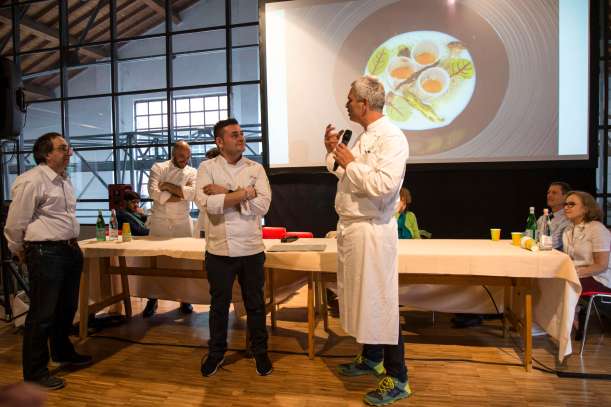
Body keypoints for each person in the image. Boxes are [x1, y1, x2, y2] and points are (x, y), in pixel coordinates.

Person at [324, 76, 410, 406]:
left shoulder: (392, 138)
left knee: (380, 301)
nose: (346, 104)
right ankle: (372, 358)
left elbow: (383, 187)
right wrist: (335, 154)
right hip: (353, 229)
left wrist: (351, 162)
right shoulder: (365, 135)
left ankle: (399, 377)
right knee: (362, 298)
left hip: (373, 231)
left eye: (350, 99)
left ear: (363, 104)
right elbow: (349, 176)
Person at [4, 132, 92, 390]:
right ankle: (35, 372)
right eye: (63, 148)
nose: (69, 153)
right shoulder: (31, 180)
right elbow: (15, 222)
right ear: (46, 154)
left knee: (66, 309)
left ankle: (62, 352)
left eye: (68, 148)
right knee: (42, 314)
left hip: (69, 249)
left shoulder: (63, 180)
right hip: (45, 252)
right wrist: (17, 249)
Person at [196, 118, 273, 377]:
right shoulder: (206, 168)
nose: (241, 138)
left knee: (255, 304)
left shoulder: (255, 168)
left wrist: (226, 191)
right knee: (219, 306)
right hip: (219, 250)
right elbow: (207, 204)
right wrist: (244, 194)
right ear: (219, 141)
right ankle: (216, 353)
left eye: (241, 133)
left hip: (251, 248)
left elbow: (263, 206)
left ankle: (260, 352)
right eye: (234, 135)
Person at [142, 140, 197, 317]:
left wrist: (166, 186)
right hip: (160, 221)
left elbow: (192, 194)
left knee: (184, 263)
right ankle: (152, 298)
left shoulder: (192, 171)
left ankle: (185, 299)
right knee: (156, 262)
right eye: (181, 156)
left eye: (187, 157)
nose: (185, 160)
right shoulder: (158, 167)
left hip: (182, 222)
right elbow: (153, 192)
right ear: (173, 153)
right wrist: (179, 194)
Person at [561, 191, 611, 338]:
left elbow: (601, 265)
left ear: (585, 208)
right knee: (551, 279)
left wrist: (574, 273)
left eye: (572, 204)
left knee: (564, 281)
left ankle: (571, 318)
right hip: (580, 274)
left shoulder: (596, 228)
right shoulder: (568, 230)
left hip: (599, 277)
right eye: (565, 204)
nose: (566, 207)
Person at [538, 181, 572, 250]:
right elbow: (530, 235)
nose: (549, 195)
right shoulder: (543, 217)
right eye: (548, 192)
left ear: (566, 197)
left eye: (554, 193)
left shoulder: (568, 219)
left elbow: (553, 243)